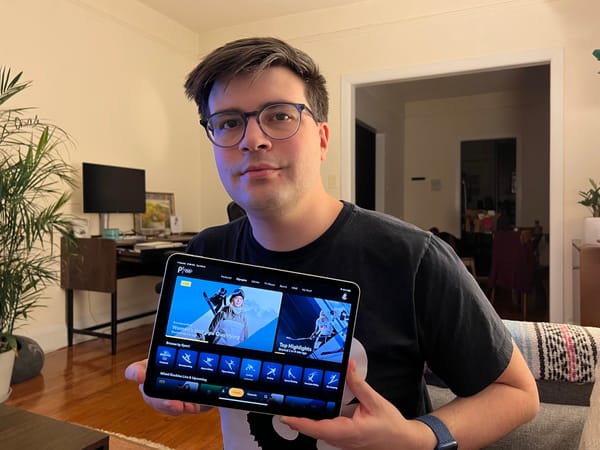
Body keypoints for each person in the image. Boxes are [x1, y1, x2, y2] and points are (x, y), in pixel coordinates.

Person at [125, 37, 539, 450]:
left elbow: (518, 394)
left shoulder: (413, 259)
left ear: (322, 139)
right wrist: (170, 389)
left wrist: (416, 437)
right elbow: (194, 376)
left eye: (280, 115)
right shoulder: (206, 253)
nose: (253, 139)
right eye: (230, 122)